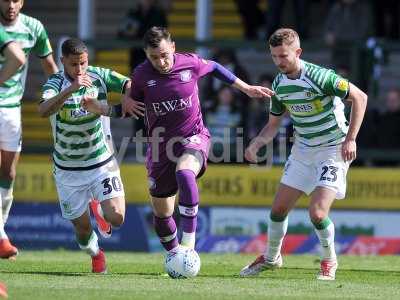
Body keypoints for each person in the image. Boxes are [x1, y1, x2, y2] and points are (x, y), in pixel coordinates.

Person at [84, 27, 273, 255]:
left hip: (194, 137)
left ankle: (189, 245)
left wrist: (246, 88)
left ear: (172, 47)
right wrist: (100, 108)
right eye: (154, 57)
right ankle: (176, 256)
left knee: (185, 173)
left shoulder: (189, 63)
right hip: (160, 148)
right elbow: (128, 110)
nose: (161, 61)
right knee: (162, 215)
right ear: (146, 54)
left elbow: (213, 66)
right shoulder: (141, 77)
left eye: (164, 54)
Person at [240, 28, 367, 280]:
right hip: (303, 149)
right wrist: (255, 144)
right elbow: (273, 124)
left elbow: (360, 97)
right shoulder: (279, 84)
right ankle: (271, 257)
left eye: (283, 56)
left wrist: (351, 139)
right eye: (274, 57)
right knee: (277, 210)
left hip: (332, 148)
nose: (279, 62)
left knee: (317, 213)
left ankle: (329, 261)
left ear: (298, 52)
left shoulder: (321, 77)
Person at [38, 38, 131, 273]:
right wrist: (71, 89)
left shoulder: (98, 76)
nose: (80, 70)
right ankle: (96, 254)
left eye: (83, 63)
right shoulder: (55, 83)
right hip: (68, 169)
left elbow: (128, 83)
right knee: (81, 229)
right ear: (62, 62)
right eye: (73, 65)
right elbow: (42, 110)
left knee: (117, 217)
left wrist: (128, 94)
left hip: (101, 161)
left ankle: (99, 209)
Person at [0, 0, 58, 259]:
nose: (10, 5)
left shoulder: (33, 27)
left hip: (12, 109)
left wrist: (61, 95)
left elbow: (49, 67)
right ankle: (1, 238)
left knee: (9, 173)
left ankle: (0, 231)